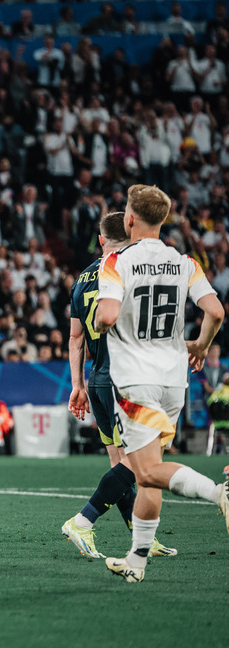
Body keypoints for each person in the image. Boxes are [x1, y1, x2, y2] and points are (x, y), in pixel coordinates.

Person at [95, 185, 228, 583]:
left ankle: (219, 492)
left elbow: (106, 316)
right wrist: (200, 345)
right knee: (148, 471)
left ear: (129, 219)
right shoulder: (184, 262)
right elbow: (215, 311)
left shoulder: (116, 261)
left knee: (149, 471)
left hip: (136, 381)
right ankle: (136, 561)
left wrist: (105, 319)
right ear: (164, 219)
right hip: (173, 381)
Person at [63, 212, 176, 559]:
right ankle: (83, 521)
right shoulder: (131, 271)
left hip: (97, 380)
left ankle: (142, 540)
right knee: (143, 459)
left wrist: (77, 385)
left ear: (101, 240)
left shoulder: (82, 278)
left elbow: (75, 338)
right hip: (125, 379)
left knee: (120, 462)